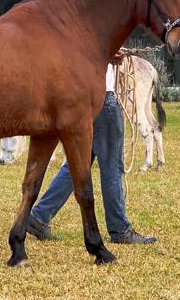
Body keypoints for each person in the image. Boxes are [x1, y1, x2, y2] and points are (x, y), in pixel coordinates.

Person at [27, 51, 156, 245]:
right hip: (102, 98)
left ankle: (39, 217)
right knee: (112, 167)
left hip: (78, 100)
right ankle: (119, 229)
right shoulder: (91, 24)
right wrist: (108, 53)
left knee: (76, 165)